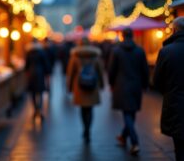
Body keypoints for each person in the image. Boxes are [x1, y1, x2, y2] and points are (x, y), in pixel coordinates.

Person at [108, 27, 149, 155]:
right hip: (136, 85)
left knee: (127, 114)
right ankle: (123, 137)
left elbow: (111, 70)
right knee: (131, 113)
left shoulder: (116, 51)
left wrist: (111, 83)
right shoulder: (140, 51)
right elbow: (145, 70)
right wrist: (145, 85)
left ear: (122, 36)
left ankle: (135, 142)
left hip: (121, 86)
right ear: (132, 36)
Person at [153, 17, 184, 161]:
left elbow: (157, 81)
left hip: (175, 104)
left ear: (174, 30)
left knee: (179, 146)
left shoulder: (166, 51)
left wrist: (169, 92)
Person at [67, 37, 104, 144]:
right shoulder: (95, 55)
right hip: (92, 86)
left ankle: (85, 129)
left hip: (79, 87)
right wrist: (101, 85)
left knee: (83, 110)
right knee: (90, 109)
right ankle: (88, 129)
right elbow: (100, 71)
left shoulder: (75, 55)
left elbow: (71, 73)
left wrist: (69, 87)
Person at [25, 38, 50, 120]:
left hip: (31, 74)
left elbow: (26, 65)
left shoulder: (29, 52)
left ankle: (35, 109)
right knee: (40, 93)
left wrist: (27, 73)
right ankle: (40, 109)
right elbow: (46, 64)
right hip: (40, 73)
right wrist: (47, 74)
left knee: (33, 93)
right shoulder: (41, 52)